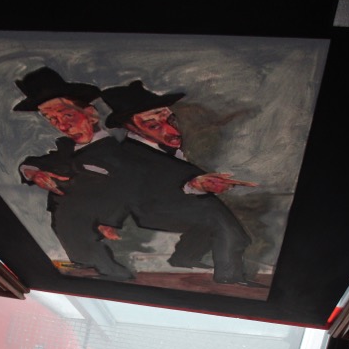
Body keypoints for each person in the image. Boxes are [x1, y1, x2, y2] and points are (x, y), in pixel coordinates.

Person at [101, 80, 256, 284]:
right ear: (130, 127)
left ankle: (185, 258)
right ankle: (230, 277)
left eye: (170, 120)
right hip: (150, 210)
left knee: (210, 208)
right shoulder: (129, 155)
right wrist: (193, 185)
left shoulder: (158, 147)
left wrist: (197, 184)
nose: (173, 131)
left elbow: (176, 174)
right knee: (216, 217)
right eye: (154, 126)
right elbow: (132, 190)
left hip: (173, 203)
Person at [13, 67, 134, 280]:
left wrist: (110, 220)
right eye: (51, 119)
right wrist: (34, 173)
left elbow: (131, 188)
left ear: (91, 114)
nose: (62, 125)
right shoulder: (66, 151)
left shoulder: (120, 151)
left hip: (112, 239)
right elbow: (32, 164)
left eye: (67, 115)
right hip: (76, 248)